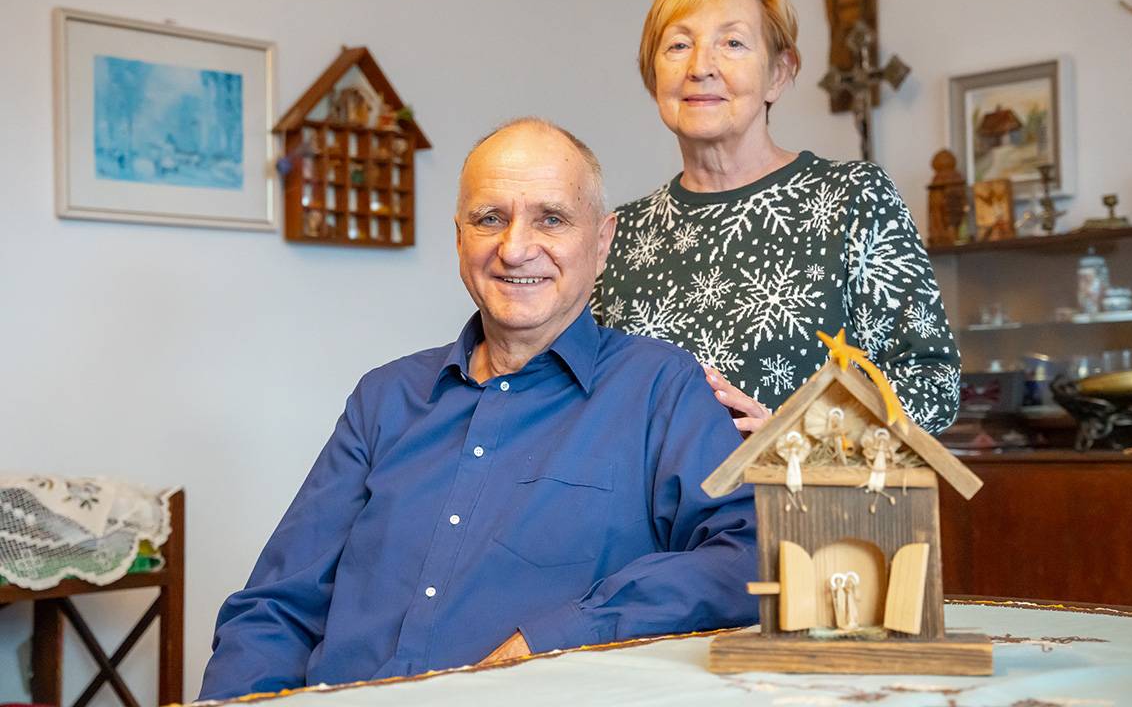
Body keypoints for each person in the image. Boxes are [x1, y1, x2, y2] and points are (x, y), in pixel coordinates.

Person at [198, 119, 757, 700]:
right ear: (460, 239)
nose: (514, 249)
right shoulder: (384, 397)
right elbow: (275, 608)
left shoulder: (662, 387)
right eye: (490, 218)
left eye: (551, 218)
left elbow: (746, 558)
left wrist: (559, 639)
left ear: (601, 241)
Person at [594, 0, 960, 436]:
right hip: (656, 491)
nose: (701, 66)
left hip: (805, 485)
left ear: (779, 74)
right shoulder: (618, 235)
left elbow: (931, 382)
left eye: (733, 43)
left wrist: (799, 435)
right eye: (678, 45)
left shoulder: (854, 198)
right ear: (652, 75)